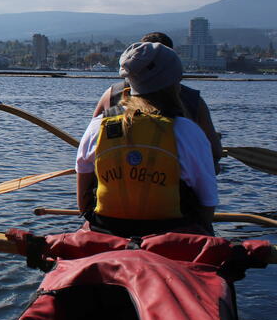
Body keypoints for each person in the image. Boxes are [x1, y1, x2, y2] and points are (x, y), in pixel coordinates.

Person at [75, 42, 218, 237]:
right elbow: (207, 205)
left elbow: (83, 204)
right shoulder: (188, 132)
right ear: (173, 83)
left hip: (106, 229)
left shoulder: (97, 127)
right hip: (172, 235)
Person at [93, 32, 223, 172]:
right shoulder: (193, 100)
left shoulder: (111, 94)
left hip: (117, 177)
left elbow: (92, 141)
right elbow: (215, 151)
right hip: (169, 183)